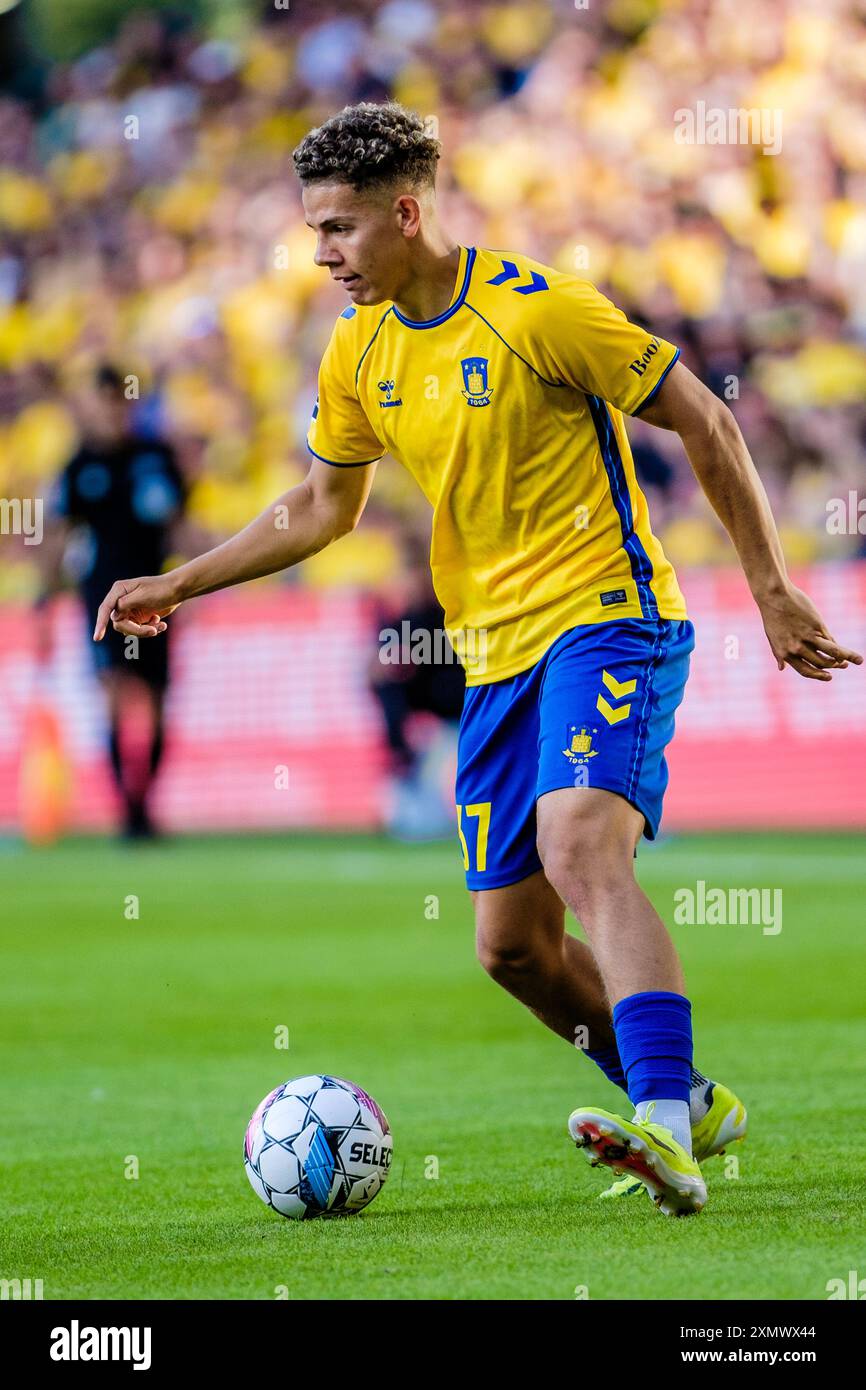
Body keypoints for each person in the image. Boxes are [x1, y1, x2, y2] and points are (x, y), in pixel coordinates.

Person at [93, 103, 862, 1214]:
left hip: (609, 613)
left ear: (405, 213)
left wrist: (773, 589)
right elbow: (320, 508)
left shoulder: (537, 308)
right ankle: (686, 1097)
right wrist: (179, 580)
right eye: (313, 231)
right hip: (492, 656)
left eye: (339, 229)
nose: (321, 255)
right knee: (509, 948)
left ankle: (658, 1128)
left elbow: (706, 420)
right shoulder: (358, 348)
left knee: (580, 841)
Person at [44, 364, 186, 839]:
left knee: (159, 697)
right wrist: (46, 602)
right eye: (104, 400)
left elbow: (181, 524)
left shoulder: (157, 456)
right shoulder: (79, 465)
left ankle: (145, 802)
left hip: (159, 596)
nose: (112, 410)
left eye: (119, 400)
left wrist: (199, 584)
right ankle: (128, 809)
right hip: (102, 600)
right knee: (112, 695)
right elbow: (60, 537)